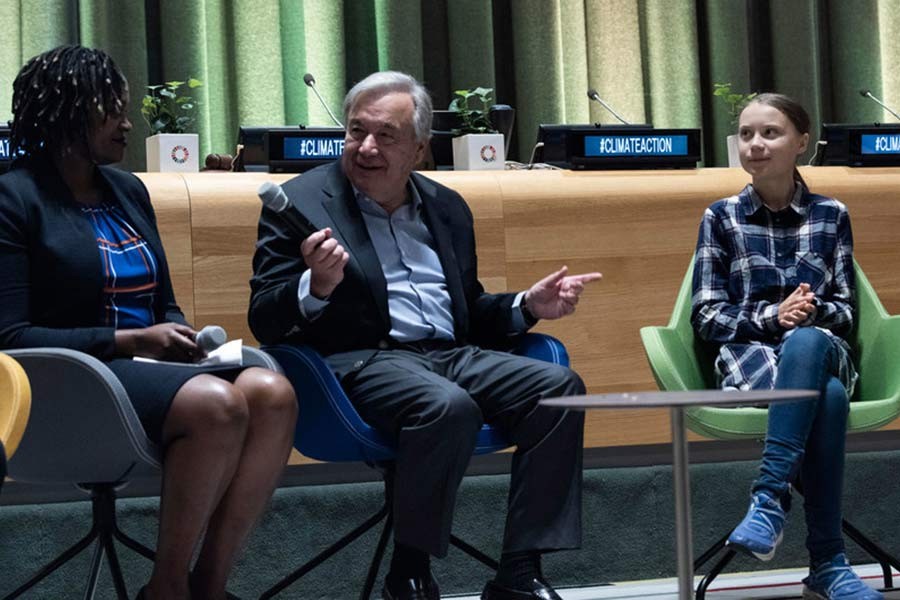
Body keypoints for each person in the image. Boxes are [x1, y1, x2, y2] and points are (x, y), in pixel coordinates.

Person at [249, 71, 601, 600]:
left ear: (418, 147)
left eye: (384, 136)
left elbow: (470, 311)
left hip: (451, 354)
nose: (365, 147)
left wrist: (527, 306)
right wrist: (314, 285)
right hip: (361, 363)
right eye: (355, 132)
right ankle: (408, 571)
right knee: (447, 406)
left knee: (559, 389)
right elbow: (263, 317)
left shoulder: (447, 207)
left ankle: (520, 573)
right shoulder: (302, 203)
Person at [0, 45, 298, 600]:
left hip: (148, 372)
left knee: (273, 390)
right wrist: (133, 339)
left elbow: (163, 303)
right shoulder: (13, 198)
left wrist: (181, 337)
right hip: (68, 383)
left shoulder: (128, 191)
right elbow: (10, 336)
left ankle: (208, 585)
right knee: (217, 402)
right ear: (70, 111)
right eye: (112, 110)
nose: (127, 123)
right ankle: (167, 589)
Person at [691, 93, 881, 600]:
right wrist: (771, 316)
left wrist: (810, 312)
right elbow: (706, 317)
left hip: (821, 349)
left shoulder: (831, 214)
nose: (755, 144)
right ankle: (828, 563)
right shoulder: (721, 218)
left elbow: (846, 309)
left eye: (770, 133)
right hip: (752, 360)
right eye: (746, 134)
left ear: (802, 143)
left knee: (808, 340)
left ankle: (769, 497)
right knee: (831, 400)